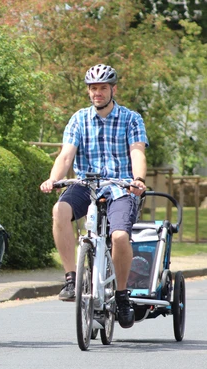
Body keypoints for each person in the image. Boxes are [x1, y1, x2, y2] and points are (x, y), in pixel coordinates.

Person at [40, 64, 148, 328]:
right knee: (59, 211)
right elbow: (66, 155)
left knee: (120, 236)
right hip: (86, 184)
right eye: (93, 88)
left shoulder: (131, 118)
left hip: (120, 186)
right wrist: (54, 179)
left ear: (113, 89)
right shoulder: (78, 119)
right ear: (88, 91)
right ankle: (71, 279)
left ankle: (122, 295)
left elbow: (137, 152)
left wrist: (138, 180)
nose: (97, 93)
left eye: (102, 88)